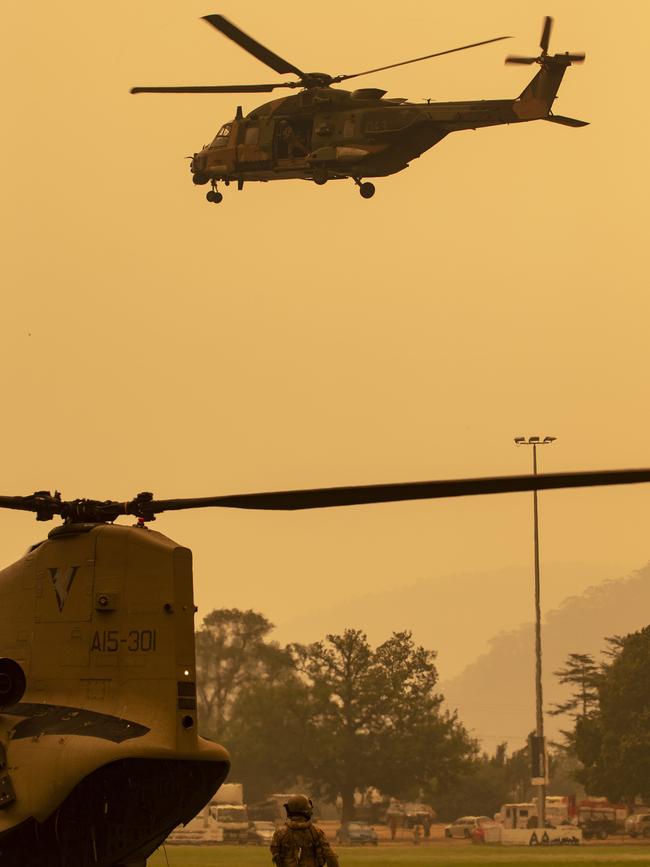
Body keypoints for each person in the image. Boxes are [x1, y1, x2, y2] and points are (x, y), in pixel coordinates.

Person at [271, 795, 339, 867]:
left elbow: (276, 854)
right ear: (306, 810)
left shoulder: (280, 833)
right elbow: (330, 857)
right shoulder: (316, 832)